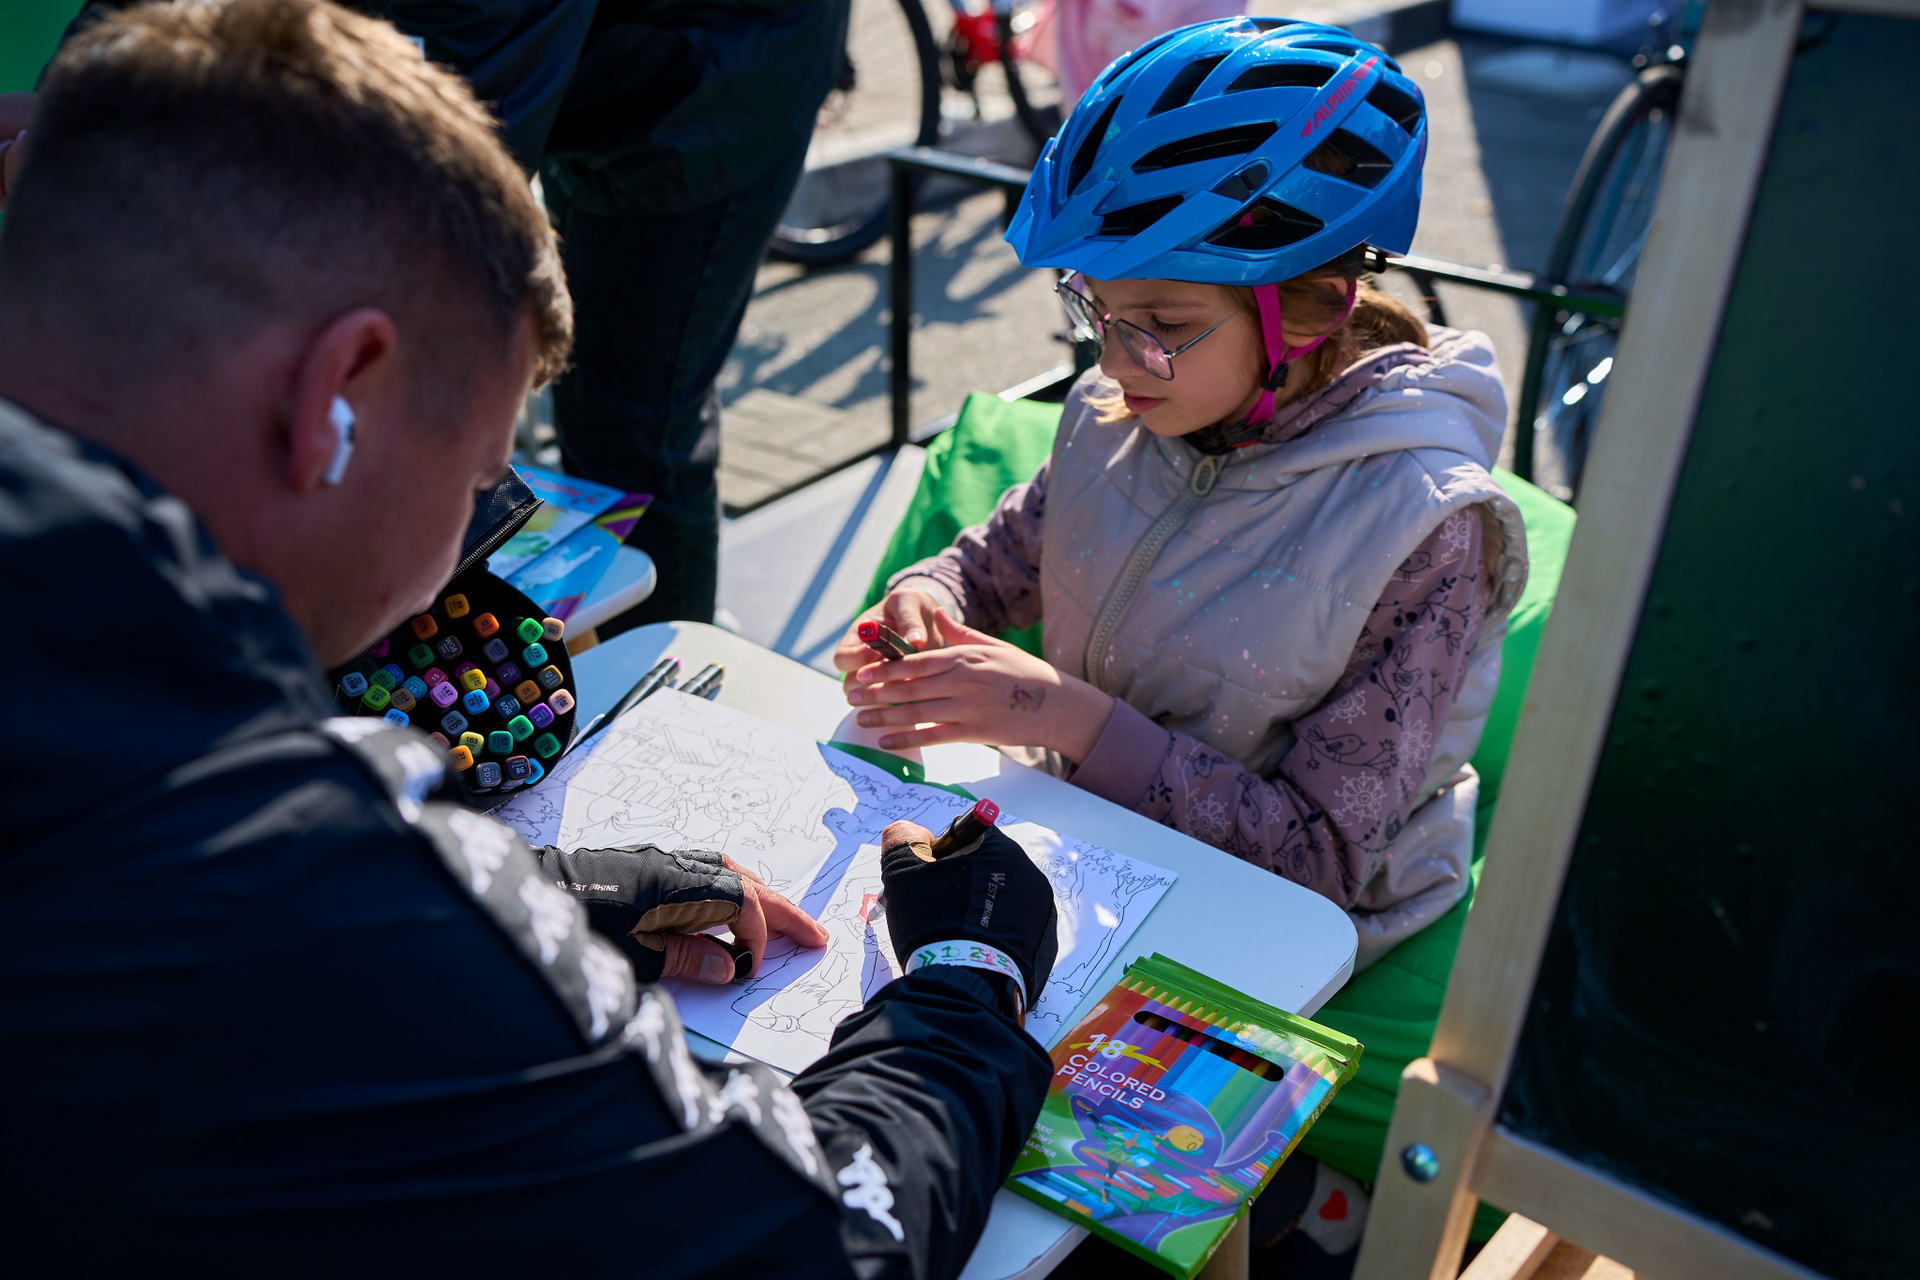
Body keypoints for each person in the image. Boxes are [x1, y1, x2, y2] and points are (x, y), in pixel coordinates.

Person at [0, 2, 1055, 1273]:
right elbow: (817, 1245)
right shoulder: (301, 868)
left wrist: (558, 893)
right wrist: (962, 988)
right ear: (335, 400)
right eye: (480, 485)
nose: (477, 546)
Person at [834, 18, 1530, 1275]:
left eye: (1160, 322)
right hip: (1101, 841)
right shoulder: (1116, 413)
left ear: (1309, 306)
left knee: (1051, 1168)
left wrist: (1066, 718)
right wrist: (926, 598)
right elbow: (999, 557)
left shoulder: (1426, 529)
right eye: (1094, 310)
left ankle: (1296, 1203)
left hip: (1292, 911)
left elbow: (1317, 860)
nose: (1113, 360)